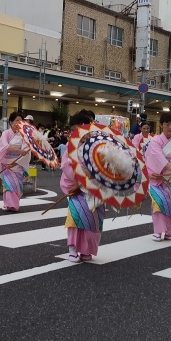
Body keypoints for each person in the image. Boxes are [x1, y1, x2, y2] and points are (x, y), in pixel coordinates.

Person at [60, 112, 103, 262]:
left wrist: (89, 177)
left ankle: (86, 249)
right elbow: (65, 164)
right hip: (76, 188)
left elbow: (104, 167)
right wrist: (79, 177)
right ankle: (72, 248)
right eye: (73, 130)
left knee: (92, 220)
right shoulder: (70, 145)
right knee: (75, 217)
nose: (74, 133)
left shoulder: (99, 145)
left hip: (93, 188)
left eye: (77, 129)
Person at [145, 112, 171, 241]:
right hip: (156, 176)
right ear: (161, 125)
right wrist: (169, 166)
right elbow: (155, 155)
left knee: (170, 204)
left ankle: (169, 230)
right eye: (167, 124)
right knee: (158, 203)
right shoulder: (155, 141)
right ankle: (158, 231)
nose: (170, 127)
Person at [0, 112, 31, 212]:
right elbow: (4, 146)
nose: (18, 123)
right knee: (8, 184)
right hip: (6, 163)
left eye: (21, 121)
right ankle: (10, 204)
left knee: (16, 186)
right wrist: (18, 150)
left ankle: (11, 203)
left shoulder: (24, 134)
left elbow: (25, 150)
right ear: (11, 122)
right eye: (17, 121)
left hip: (18, 163)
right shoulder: (6, 133)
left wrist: (19, 158)